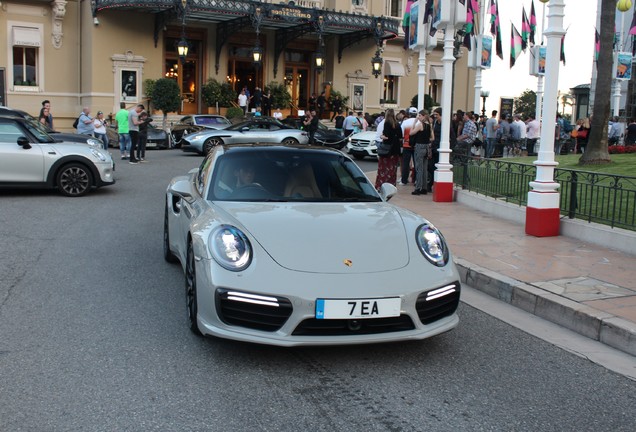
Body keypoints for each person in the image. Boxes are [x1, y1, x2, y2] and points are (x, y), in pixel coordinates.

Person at [374, 108, 402, 190]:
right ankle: (391, 185)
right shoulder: (397, 124)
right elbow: (400, 136)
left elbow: (386, 136)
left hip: (387, 149)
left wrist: (381, 136)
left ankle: (382, 185)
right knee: (393, 169)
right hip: (395, 149)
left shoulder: (387, 123)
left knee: (383, 168)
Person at [409, 110, 435, 195]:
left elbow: (411, 133)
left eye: (420, 115)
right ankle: (424, 187)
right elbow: (432, 138)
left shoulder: (420, 125)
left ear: (423, 116)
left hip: (419, 147)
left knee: (419, 168)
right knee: (424, 168)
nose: (418, 117)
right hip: (427, 147)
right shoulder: (429, 125)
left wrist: (414, 123)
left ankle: (418, 188)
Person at [399, 107, 418, 186]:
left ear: (409, 114)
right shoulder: (418, 122)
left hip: (406, 144)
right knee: (416, 163)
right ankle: (416, 180)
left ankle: (404, 180)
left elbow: (401, 134)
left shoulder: (405, 122)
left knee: (405, 163)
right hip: (416, 145)